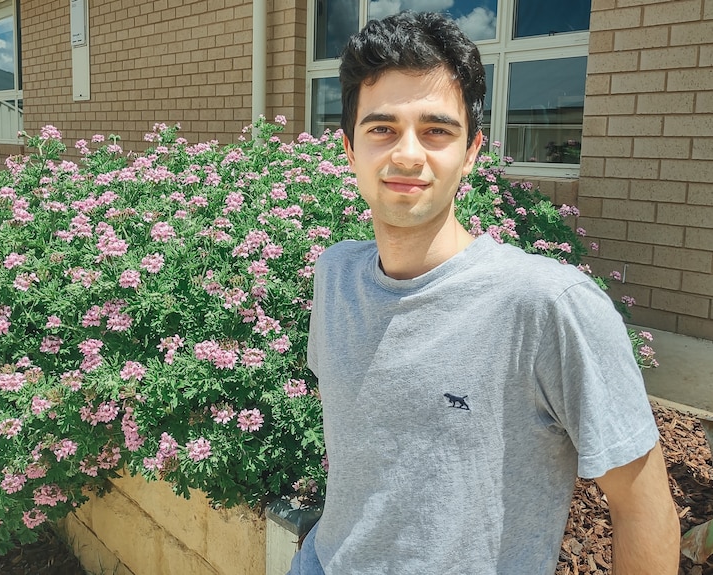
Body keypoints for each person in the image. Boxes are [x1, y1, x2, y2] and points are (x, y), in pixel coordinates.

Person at [288, 11, 680, 575]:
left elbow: (642, 506)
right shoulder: (336, 276)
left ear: (471, 151)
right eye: (382, 129)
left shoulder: (549, 305)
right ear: (349, 148)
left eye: (436, 130)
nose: (406, 155)